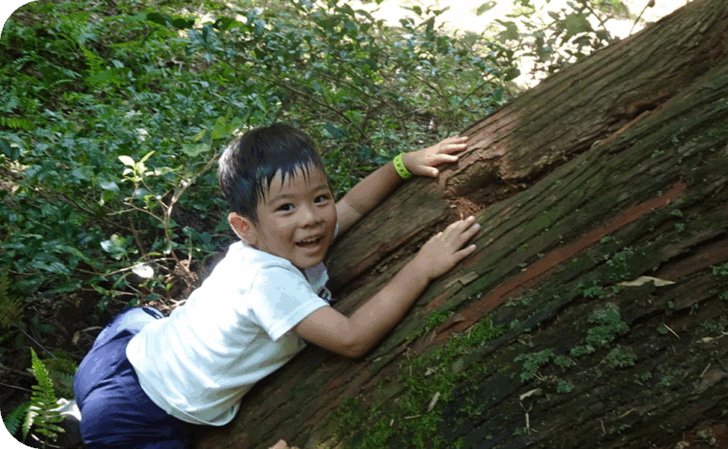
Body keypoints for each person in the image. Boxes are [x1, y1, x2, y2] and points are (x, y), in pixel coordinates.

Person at [73, 123, 481, 448]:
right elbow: (352, 338)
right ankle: (76, 417)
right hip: (138, 414)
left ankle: (73, 409)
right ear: (244, 227)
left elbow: (353, 205)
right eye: (286, 207)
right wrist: (422, 267)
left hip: (128, 345)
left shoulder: (281, 239)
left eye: (319, 198)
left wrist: (402, 165)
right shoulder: (267, 280)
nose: (311, 218)